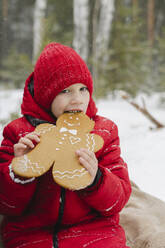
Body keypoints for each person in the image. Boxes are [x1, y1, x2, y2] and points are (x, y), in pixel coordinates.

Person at [0, 42, 131, 248]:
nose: (77, 100)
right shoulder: (19, 134)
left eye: (83, 89)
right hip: (33, 234)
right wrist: (19, 172)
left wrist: (97, 178)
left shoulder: (103, 132)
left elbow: (117, 201)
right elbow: (7, 205)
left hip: (94, 232)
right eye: (65, 91)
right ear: (46, 94)